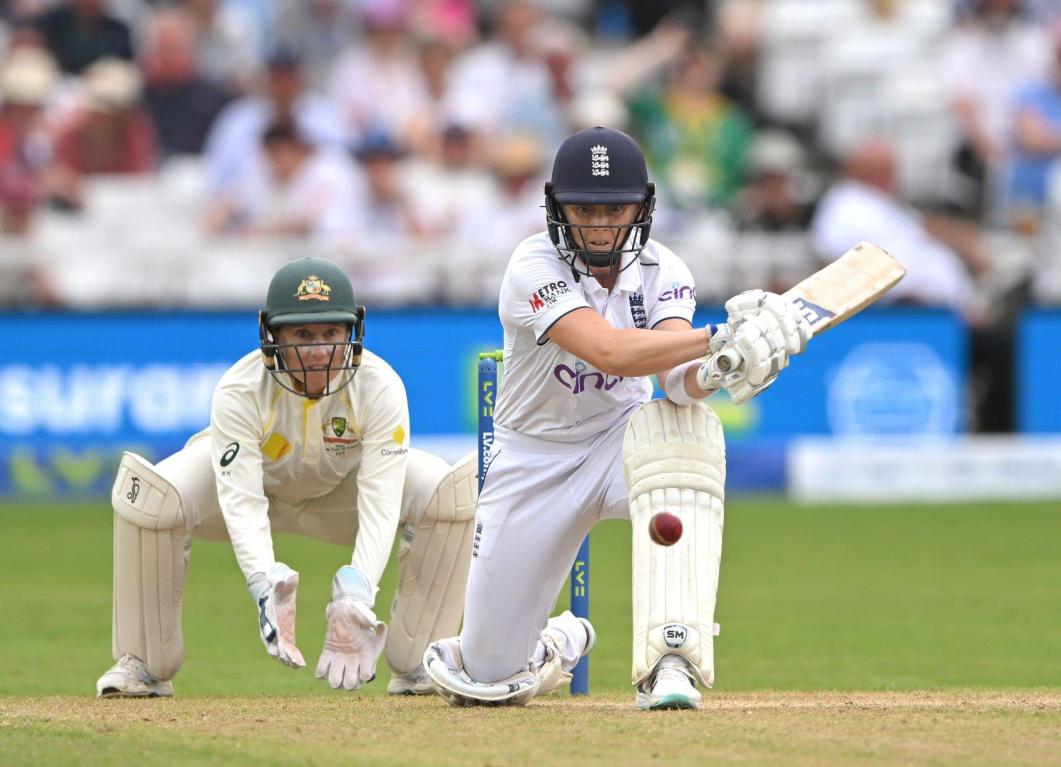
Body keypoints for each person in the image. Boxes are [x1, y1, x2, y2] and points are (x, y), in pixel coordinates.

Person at [422, 127, 811, 710]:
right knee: (488, 674)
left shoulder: (664, 270)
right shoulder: (531, 263)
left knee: (685, 435)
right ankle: (559, 641)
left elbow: (677, 381)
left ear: (641, 208)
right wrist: (721, 334)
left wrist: (729, 365)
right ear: (558, 208)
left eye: (615, 209)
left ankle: (672, 660)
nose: (601, 226)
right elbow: (609, 351)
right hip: (531, 457)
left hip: (619, 440)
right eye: (585, 210)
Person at [96, 256, 477, 697]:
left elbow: (381, 499)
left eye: (331, 333)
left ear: (352, 331)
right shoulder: (240, 389)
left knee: (446, 492)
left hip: (340, 498)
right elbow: (241, 499)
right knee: (151, 495)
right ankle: (143, 663)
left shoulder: (380, 385)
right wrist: (264, 580)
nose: (319, 350)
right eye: (302, 335)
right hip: (247, 493)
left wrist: (356, 594)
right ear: (272, 335)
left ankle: (421, 662)